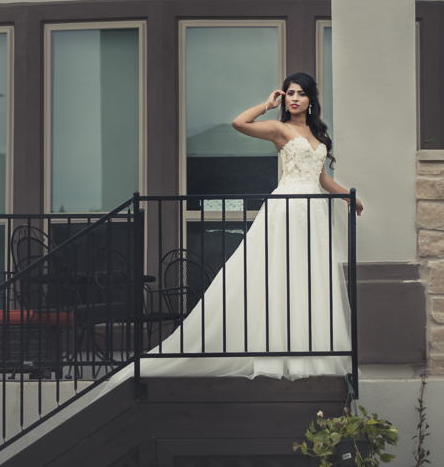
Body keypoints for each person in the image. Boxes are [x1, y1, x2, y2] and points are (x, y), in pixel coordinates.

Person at [139, 72, 361, 378]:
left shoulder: (318, 135)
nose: (294, 98)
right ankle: (274, 355)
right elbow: (239, 123)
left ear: (311, 100)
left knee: (308, 277)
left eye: (300, 93)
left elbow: (321, 178)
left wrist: (348, 197)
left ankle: (310, 355)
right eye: (289, 93)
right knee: (281, 276)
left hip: (312, 214)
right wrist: (266, 105)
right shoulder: (278, 129)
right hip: (286, 208)